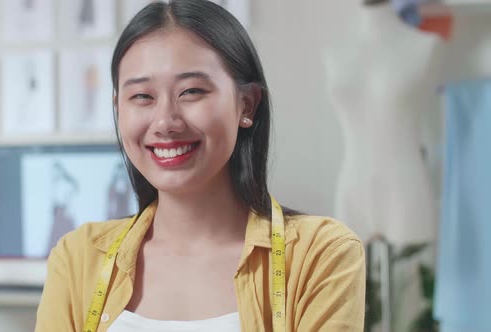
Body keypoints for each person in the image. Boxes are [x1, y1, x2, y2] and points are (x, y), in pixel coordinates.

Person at [35, 1, 365, 331]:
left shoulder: (320, 254)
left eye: (191, 91)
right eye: (142, 97)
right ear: (118, 108)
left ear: (245, 104)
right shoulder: (78, 258)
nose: (165, 121)